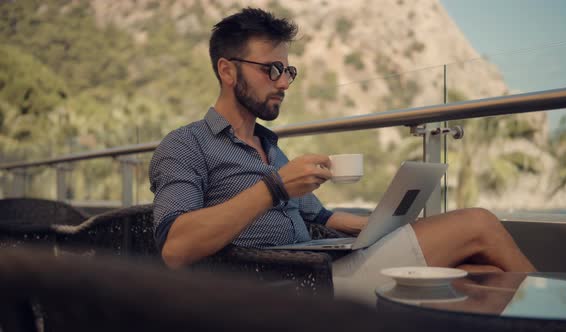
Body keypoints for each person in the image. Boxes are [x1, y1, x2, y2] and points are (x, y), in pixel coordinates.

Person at [149, 8, 535, 304]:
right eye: (272, 69)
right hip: (297, 285)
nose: (284, 82)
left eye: (288, 71)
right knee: (479, 223)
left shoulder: (270, 147)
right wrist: (274, 188)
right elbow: (176, 248)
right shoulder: (186, 145)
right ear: (227, 71)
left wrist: (385, 224)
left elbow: (319, 217)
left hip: (327, 263)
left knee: (482, 275)